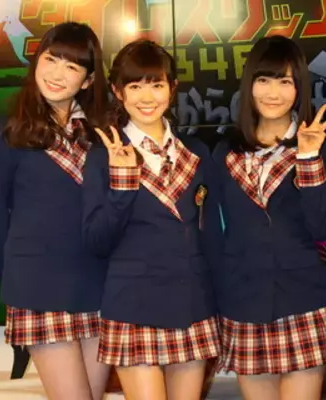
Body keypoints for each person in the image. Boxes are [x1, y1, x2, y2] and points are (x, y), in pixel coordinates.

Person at [81, 39, 221, 400]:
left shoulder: (195, 152)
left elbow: (209, 235)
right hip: (133, 304)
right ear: (118, 92)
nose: (147, 97)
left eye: (156, 85)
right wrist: (122, 184)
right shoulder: (104, 156)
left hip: (192, 302)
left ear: (172, 89)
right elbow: (97, 241)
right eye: (134, 86)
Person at [212, 35, 326, 400]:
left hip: (302, 298)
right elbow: (217, 231)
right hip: (243, 301)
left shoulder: (321, 147)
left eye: (285, 81)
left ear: (299, 88)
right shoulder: (225, 151)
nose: (273, 93)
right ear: (249, 85)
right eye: (264, 80)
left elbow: (323, 226)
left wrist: (308, 159)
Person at [0, 22, 111, 400]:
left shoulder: (100, 135)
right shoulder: (8, 131)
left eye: (72, 66)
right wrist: (16, 286)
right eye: (51, 60)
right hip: (38, 288)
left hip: (99, 287)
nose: (57, 73)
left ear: (88, 80)